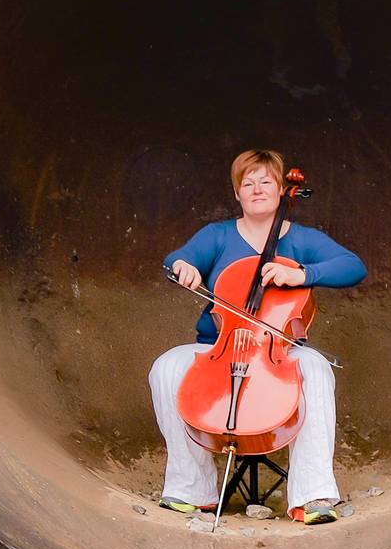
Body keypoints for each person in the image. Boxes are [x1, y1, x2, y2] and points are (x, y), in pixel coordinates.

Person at [152, 149, 367, 524]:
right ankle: (191, 489)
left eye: (265, 181)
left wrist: (302, 275)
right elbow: (176, 258)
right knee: (166, 367)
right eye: (247, 183)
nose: (256, 189)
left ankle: (313, 496)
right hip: (218, 347)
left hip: (279, 351)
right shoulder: (217, 235)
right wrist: (183, 265)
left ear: (283, 189)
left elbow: (353, 267)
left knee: (316, 371)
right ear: (237, 193)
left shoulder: (303, 240)